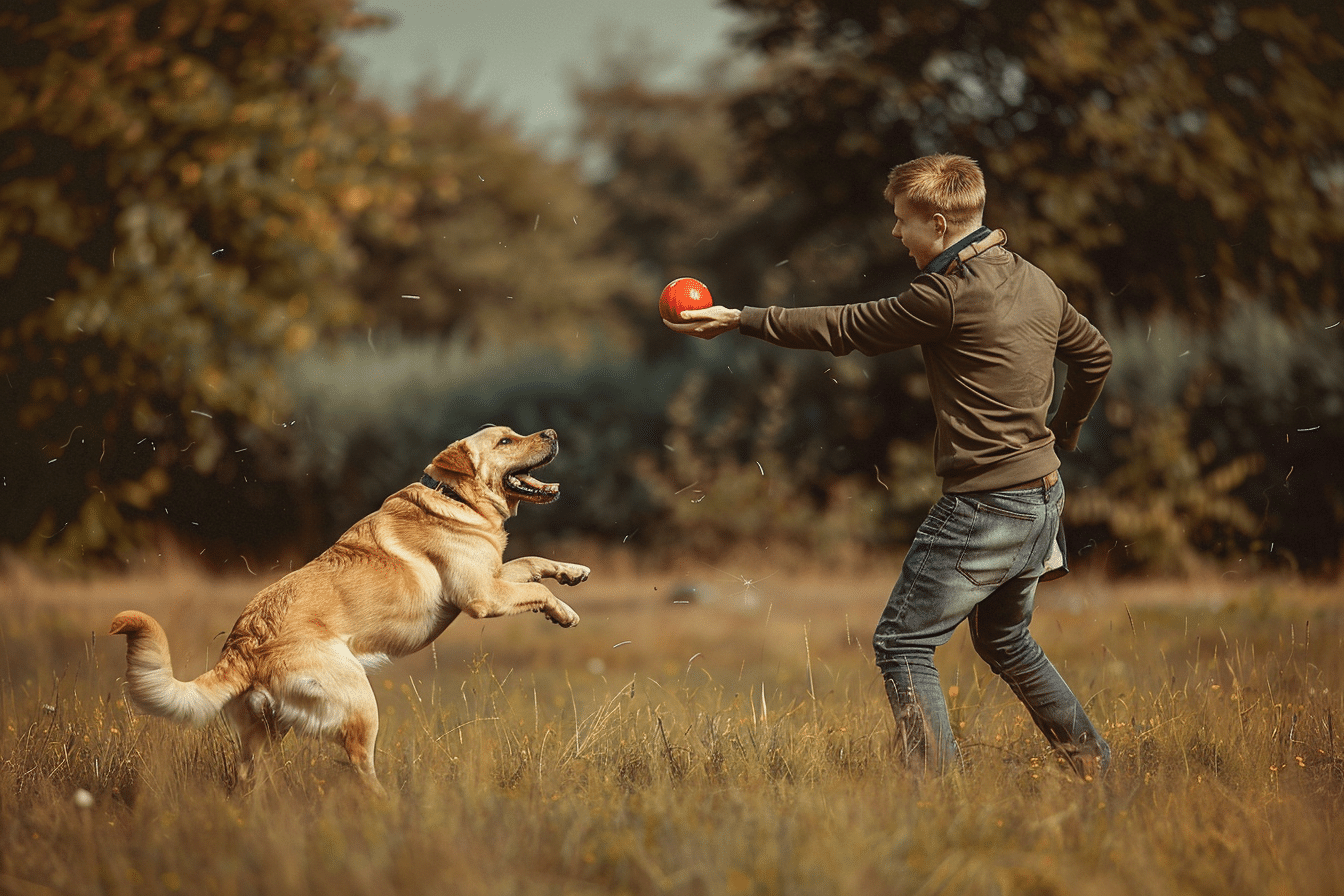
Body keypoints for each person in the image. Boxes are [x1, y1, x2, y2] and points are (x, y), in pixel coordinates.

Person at [664, 153, 1112, 778]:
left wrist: (742, 318)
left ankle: (934, 800)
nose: (896, 234)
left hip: (984, 507)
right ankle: (1093, 766)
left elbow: (848, 326)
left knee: (903, 643)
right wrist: (1062, 436)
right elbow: (1095, 356)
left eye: (902, 222)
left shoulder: (948, 294)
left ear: (937, 221)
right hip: (1042, 499)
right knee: (1006, 640)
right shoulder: (1035, 280)